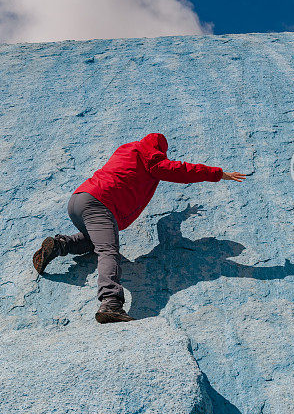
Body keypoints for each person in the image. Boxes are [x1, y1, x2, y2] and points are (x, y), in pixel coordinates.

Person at [33, 133, 248, 323]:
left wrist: (182, 215)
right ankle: (110, 303)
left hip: (78, 201)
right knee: (108, 251)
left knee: (96, 242)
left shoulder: (126, 151)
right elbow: (178, 170)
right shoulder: (150, 157)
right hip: (100, 203)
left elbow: (164, 226)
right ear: (158, 150)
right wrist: (217, 174)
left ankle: (59, 245)